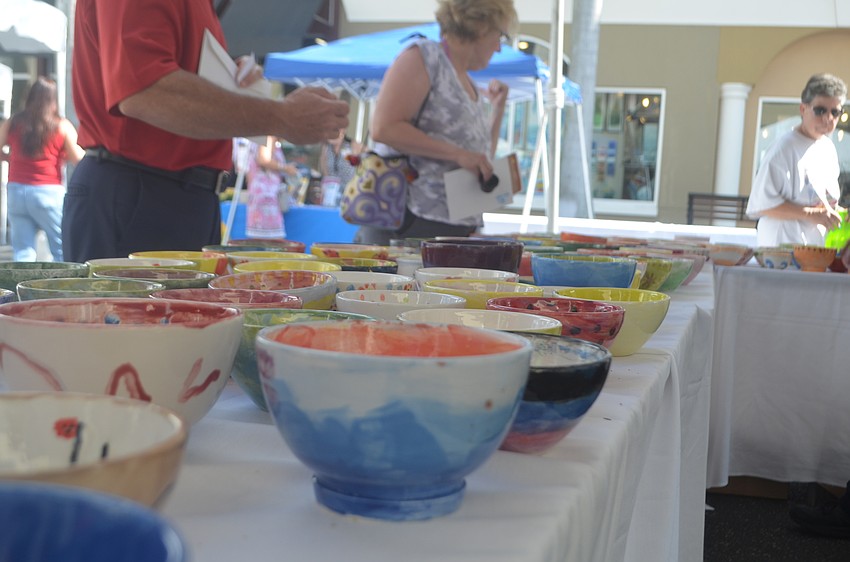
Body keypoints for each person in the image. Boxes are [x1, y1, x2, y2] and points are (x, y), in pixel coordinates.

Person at [64, 0, 349, 262]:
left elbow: (149, 83)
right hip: (141, 190)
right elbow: (145, 90)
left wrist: (227, 81)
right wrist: (280, 117)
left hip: (165, 192)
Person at [353, 0, 516, 245]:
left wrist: (498, 110)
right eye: (500, 36)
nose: (499, 48)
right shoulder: (424, 57)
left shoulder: (467, 81)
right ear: (481, 26)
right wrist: (457, 154)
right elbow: (383, 128)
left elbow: (480, 159)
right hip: (410, 221)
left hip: (454, 223)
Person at [746, 73, 846, 247]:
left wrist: (838, 213)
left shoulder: (828, 148)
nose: (828, 118)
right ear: (803, 109)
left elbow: (822, 200)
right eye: (820, 110)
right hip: (781, 249)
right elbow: (763, 204)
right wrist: (811, 214)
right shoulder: (783, 148)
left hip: (813, 248)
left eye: (835, 112)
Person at [0, 77, 84, 261]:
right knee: (61, 250)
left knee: (22, 252)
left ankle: (20, 288)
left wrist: (10, 158)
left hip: (17, 191)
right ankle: (60, 288)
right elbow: (78, 158)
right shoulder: (61, 125)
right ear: (53, 100)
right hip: (47, 192)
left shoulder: (14, 122)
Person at [245, 136, 297, 238]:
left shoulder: (263, 138)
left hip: (262, 192)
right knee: (272, 239)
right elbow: (264, 159)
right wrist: (286, 168)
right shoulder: (268, 136)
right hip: (266, 193)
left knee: (263, 238)